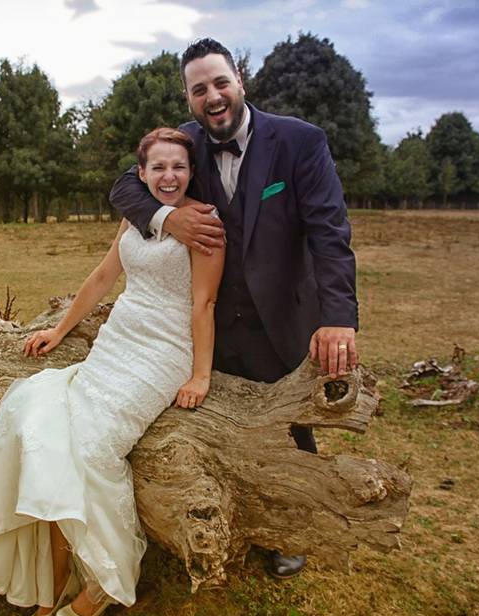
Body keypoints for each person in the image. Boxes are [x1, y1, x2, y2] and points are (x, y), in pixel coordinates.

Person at [0, 127, 224, 616]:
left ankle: (102, 577)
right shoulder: (135, 214)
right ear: (141, 174)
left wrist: (201, 374)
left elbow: (203, 303)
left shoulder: (205, 224)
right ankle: (50, 580)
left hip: (162, 351)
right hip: (117, 341)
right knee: (44, 431)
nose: (170, 177)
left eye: (179, 167)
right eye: (159, 167)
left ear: (192, 173)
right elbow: (103, 277)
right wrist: (59, 329)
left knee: (95, 448)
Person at [109, 38, 359, 579]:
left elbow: (329, 233)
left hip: (281, 316)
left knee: (289, 428)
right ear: (189, 97)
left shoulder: (300, 141)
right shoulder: (186, 145)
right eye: (199, 89)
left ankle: (293, 530)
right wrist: (165, 218)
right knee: (217, 423)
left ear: (239, 79)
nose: (212, 96)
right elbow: (125, 187)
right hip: (210, 321)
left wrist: (337, 317)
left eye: (220, 82)